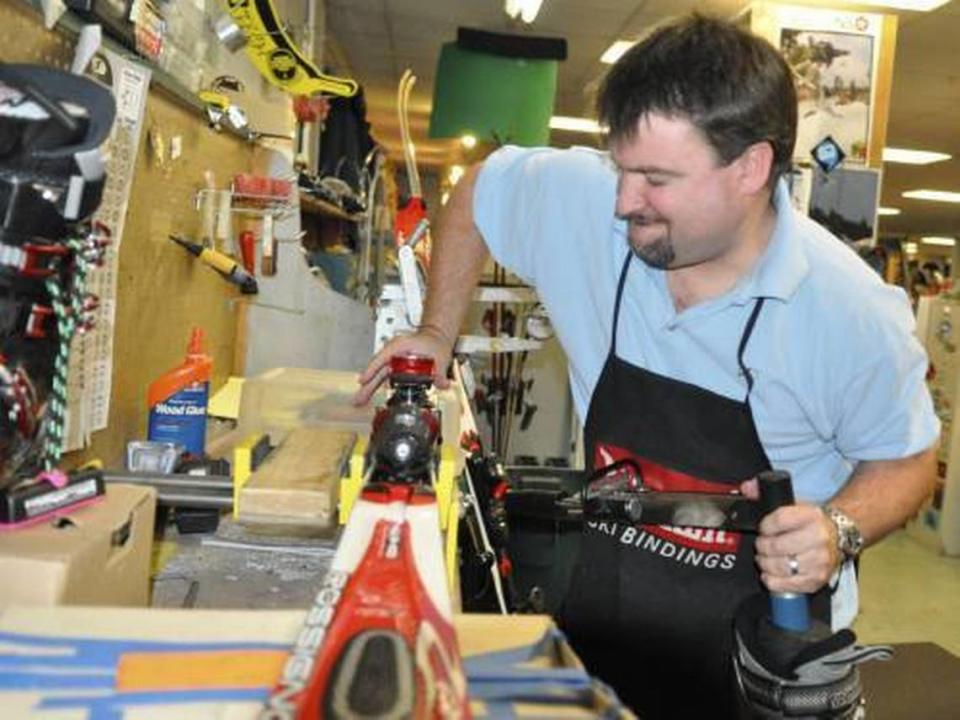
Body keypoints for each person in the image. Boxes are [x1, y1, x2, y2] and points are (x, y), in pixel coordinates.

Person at [355, 14, 938, 718]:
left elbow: (907, 463)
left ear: (751, 167)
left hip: (766, 664)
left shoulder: (848, 311)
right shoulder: (592, 202)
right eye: (622, 167)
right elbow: (482, 190)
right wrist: (436, 331)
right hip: (610, 629)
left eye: (656, 178)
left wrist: (838, 529)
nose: (626, 201)